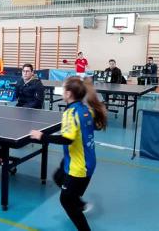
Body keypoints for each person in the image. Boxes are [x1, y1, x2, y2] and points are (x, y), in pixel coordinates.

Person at [30, 77, 107, 231]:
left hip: (79, 167)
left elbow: (67, 139)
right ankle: (79, 203)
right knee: (59, 177)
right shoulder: (86, 109)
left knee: (66, 200)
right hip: (87, 161)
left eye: (64, 88)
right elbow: (95, 126)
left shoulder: (70, 113)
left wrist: (42, 136)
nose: (62, 91)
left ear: (69, 94)